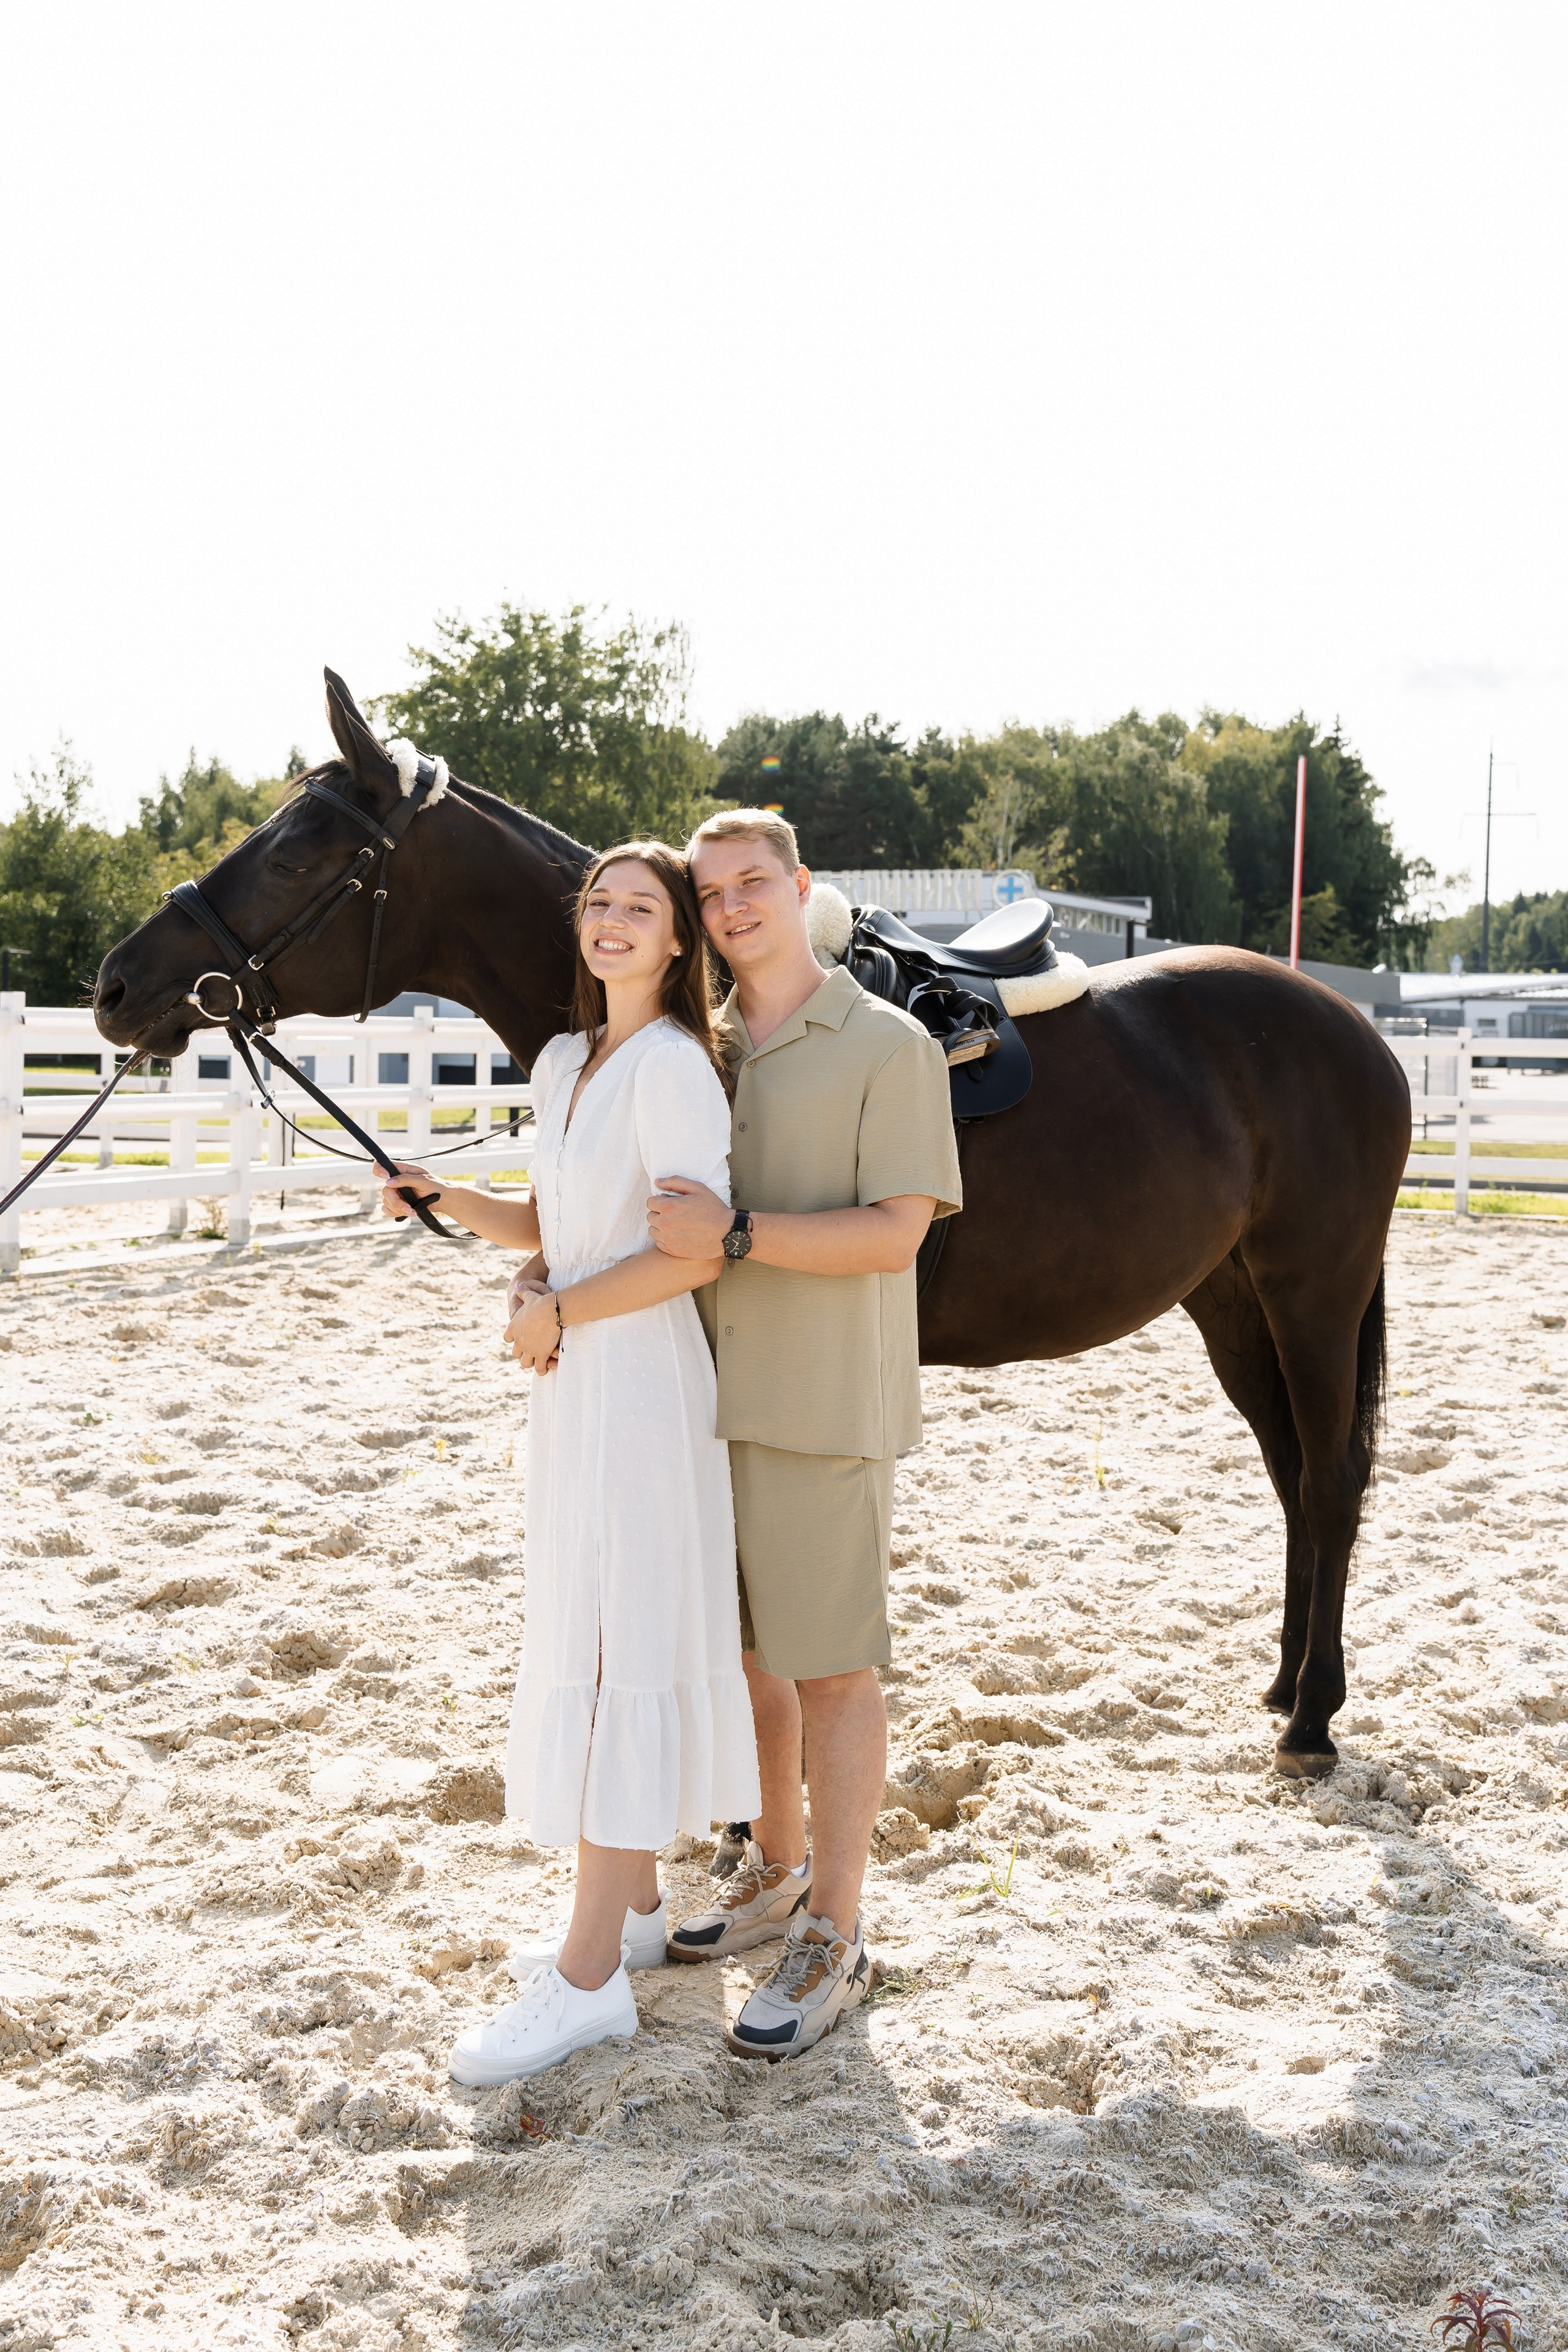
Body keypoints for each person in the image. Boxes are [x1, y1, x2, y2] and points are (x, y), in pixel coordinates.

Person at [382, 841, 760, 2085]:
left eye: (640, 909)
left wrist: (557, 1311)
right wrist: (452, 1201)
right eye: (598, 902)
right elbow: (558, 1221)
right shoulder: (564, 1061)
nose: (611, 922)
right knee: (596, 1626)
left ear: (674, 943)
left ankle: (590, 1975)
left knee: (614, 1649)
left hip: (638, 1383)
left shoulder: (673, 1069)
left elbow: (689, 1254)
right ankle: (640, 1912)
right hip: (575, 1383)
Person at [643, 810, 963, 2059]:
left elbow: (892, 1234)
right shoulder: (697, 1050)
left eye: (751, 884)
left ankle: (836, 1921)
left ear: (799, 887)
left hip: (823, 1400)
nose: (730, 907)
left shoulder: (883, 1043)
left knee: (829, 1668)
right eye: (709, 892)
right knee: (747, 1660)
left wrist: (733, 1233)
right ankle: (772, 1866)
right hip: (699, 1393)